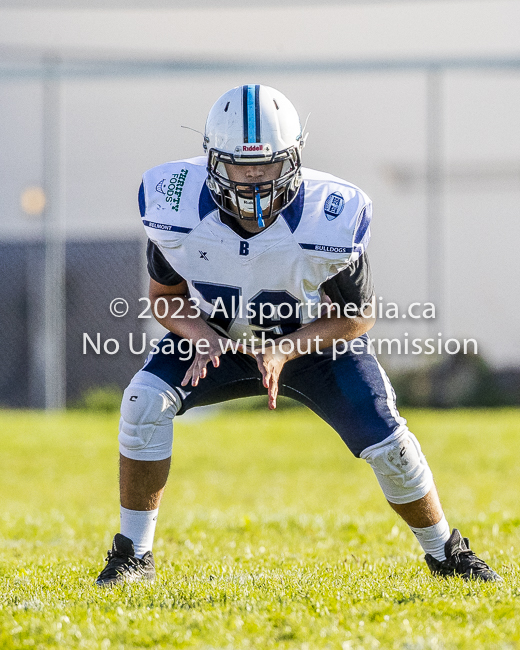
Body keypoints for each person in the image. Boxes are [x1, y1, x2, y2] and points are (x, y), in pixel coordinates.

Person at [95, 84, 500, 585]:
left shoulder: (327, 215)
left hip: (312, 345)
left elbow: (359, 315)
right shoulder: (175, 206)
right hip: (218, 340)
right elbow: (166, 300)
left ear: (294, 157)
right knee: (141, 404)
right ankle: (133, 555)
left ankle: (447, 553)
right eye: (240, 165)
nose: (253, 178)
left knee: (390, 442)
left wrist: (287, 348)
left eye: (266, 164)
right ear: (211, 160)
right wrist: (200, 334)